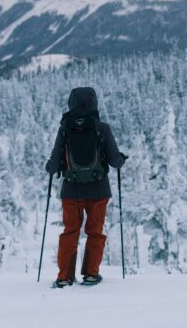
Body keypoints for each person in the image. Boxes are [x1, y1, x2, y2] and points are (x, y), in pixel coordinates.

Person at [45, 87, 126, 288]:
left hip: (71, 190)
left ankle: (65, 277)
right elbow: (115, 161)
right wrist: (121, 159)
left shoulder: (64, 129)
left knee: (70, 232)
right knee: (95, 232)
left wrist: (50, 167)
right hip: (98, 190)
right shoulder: (103, 128)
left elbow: (54, 163)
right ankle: (90, 274)